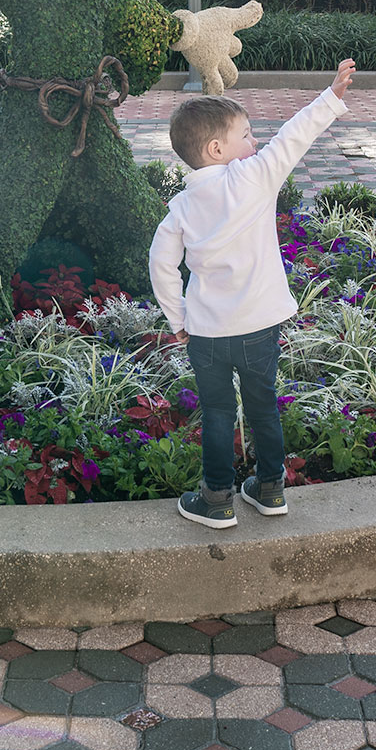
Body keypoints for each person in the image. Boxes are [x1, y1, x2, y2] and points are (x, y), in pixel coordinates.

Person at [148, 60, 356, 528]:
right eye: (246, 135)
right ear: (217, 147)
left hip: (207, 333)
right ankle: (270, 489)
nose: (256, 143)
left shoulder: (180, 207)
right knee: (264, 406)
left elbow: (160, 264)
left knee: (218, 412)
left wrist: (176, 320)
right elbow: (294, 136)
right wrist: (330, 96)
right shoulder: (255, 178)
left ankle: (217, 499)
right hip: (260, 327)